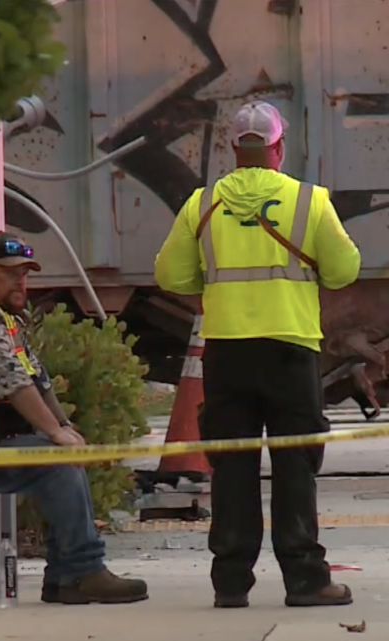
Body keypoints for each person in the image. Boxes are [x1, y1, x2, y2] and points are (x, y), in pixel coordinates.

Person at [153, 100, 362, 608]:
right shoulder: (308, 201)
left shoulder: (202, 205)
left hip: (226, 354)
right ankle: (307, 580)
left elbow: (170, 276)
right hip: (290, 350)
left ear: (233, 150)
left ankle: (230, 582)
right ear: (277, 148)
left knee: (231, 468)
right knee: (295, 467)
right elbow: (344, 270)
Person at [0, 231, 148, 605]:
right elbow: (13, 381)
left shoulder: (1, 313)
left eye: (25, 273)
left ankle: (64, 578)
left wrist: (64, 428)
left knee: (62, 455)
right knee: (57, 463)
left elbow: (37, 377)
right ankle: (85, 571)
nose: (20, 281)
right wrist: (55, 432)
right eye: (10, 273)